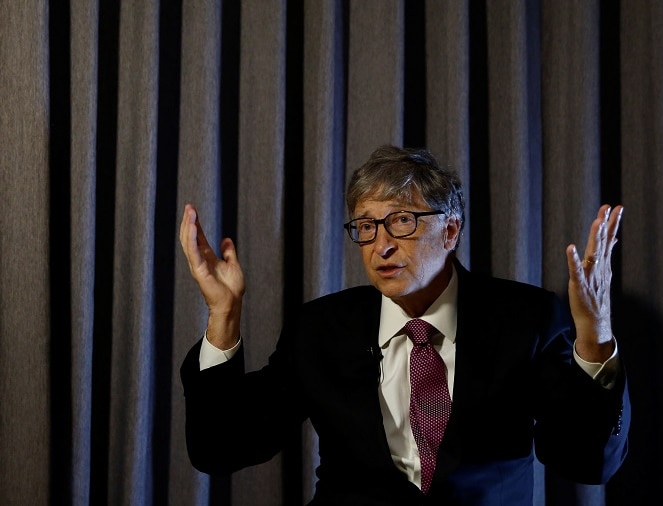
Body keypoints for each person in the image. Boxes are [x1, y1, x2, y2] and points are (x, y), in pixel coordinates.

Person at [179, 145, 630, 505]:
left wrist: (595, 337)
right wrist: (224, 315)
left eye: (401, 221)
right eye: (366, 227)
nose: (382, 246)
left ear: (450, 231)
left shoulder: (526, 319)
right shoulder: (319, 328)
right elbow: (223, 447)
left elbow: (587, 462)